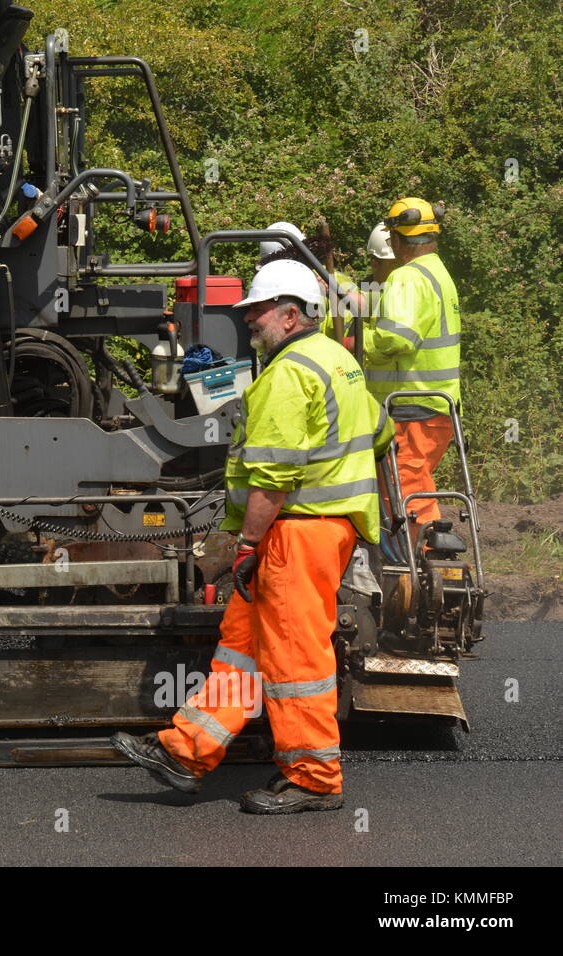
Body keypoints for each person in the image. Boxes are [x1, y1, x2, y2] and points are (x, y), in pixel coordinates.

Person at [112, 259, 393, 814]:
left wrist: (245, 545)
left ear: (291, 314)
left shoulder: (291, 374)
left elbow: (273, 475)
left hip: (296, 532)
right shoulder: (338, 360)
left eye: (258, 311)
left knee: (295, 657)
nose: (249, 322)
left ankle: (314, 776)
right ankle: (187, 751)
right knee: (243, 648)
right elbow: (381, 430)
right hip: (309, 529)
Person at [362, 197, 460, 537]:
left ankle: (433, 562)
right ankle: (411, 562)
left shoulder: (407, 277)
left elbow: (397, 339)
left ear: (399, 239)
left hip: (413, 405)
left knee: (408, 484)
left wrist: (362, 342)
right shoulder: (438, 272)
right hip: (436, 404)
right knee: (405, 483)